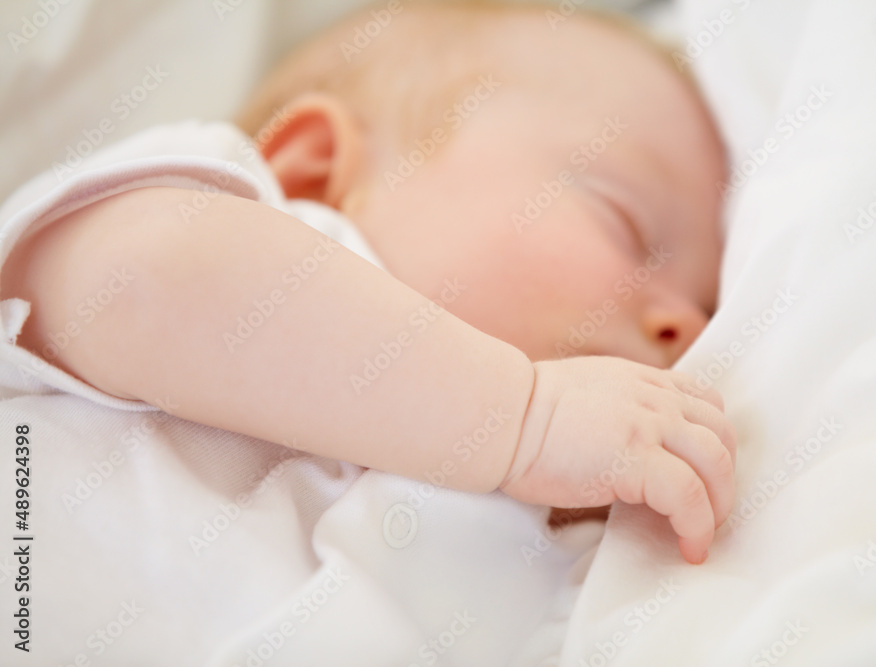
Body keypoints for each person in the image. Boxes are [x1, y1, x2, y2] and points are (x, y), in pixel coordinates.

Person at [0, 0, 735, 564]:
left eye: (709, 302)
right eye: (628, 224)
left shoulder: (545, 543)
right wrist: (522, 417)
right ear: (317, 170)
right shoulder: (233, 217)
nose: (690, 326)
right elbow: (143, 279)